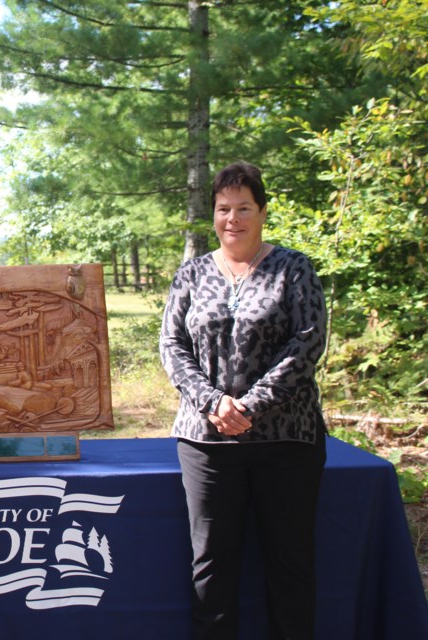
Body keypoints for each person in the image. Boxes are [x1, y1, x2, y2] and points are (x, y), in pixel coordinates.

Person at [159, 161, 328, 640]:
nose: (232, 218)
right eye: (223, 208)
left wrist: (250, 406)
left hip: (287, 441)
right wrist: (212, 402)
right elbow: (171, 346)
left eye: (244, 208)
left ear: (263, 211)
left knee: (290, 565)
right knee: (211, 568)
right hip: (207, 444)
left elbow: (309, 342)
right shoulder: (190, 273)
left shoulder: (293, 268)